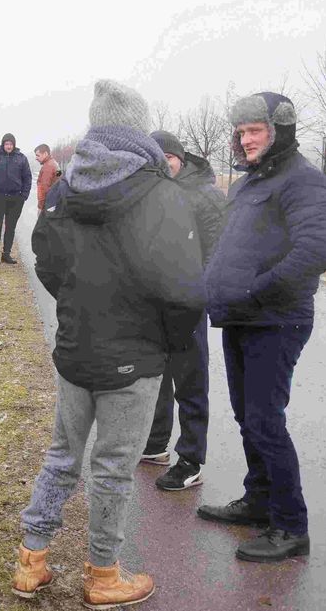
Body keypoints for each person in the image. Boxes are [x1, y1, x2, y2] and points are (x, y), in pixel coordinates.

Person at [11, 80, 204, 608]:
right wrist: (167, 342)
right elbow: (183, 286)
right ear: (136, 127)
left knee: (61, 457)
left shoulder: (68, 185)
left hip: (76, 348)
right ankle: (103, 575)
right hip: (135, 357)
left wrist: (76, 308)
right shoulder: (158, 190)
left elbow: (46, 257)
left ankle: (32, 561)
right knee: (114, 468)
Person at [196, 92, 326, 563]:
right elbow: (232, 245)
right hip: (241, 318)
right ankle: (258, 501)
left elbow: (315, 250)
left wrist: (254, 291)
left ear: (280, 130)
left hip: (277, 319)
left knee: (266, 421)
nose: (246, 139)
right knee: (247, 416)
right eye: (242, 131)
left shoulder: (303, 181)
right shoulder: (248, 183)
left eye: (255, 130)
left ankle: (291, 526)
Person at [138, 130, 226, 492]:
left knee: (189, 382)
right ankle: (157, 445)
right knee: (158, 377)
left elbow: (218, 253)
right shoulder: (152, 192)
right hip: (156, 304)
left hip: (188, 304)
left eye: (167, 157)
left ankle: (190, 460)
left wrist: (194, 292)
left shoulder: (205, 195)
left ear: (180, 156)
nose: (163, 164)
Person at [0, 132, 32, 264]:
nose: (9, 146)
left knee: (10, 227)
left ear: (14, 145)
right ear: (3, 144)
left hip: (15, 199)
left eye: (11, 144)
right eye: (6, 144)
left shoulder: (21, 158)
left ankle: (6, 254)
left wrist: (24, 196)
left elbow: (27, 178)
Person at [34, 144, 61, 212]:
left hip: (48, 205)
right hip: (56, 202)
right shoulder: (55, 164)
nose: (36, 158)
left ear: (45, 153)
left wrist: (40, 207)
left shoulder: (47, 167)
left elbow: (43, 189)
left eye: (38, 155)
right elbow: (60, 178)